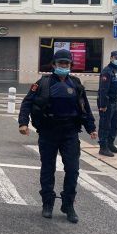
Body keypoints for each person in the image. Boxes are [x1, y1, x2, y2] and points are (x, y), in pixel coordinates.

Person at [18, 49, 97, 224]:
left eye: (66, 64)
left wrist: (91, 127)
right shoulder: (43, 83)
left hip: (70, 133)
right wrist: (23, 123)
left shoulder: (76, 84)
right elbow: (27, 103)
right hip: (48, 132)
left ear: (70, 66)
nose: (63, 66)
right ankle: (47, 203)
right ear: (53, 65)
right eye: (60, 63)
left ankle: (68, 204)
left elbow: (84, 108)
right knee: (48, 169)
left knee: (72, 169)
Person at [98, 50, 117, 157]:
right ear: (111, 58)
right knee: (105, 125)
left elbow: (116, 85)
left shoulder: (116, 70)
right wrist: (103, 105)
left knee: (115, 123)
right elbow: (103, 90)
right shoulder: (107, 71)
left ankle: (110, 144)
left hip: (115, 101)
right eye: (116, 58)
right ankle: (103, 147)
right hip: (108, 102)